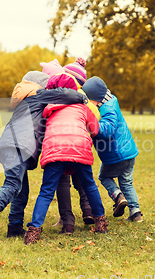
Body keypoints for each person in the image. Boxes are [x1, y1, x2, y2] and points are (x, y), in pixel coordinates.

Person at [0, 71, 88, 244]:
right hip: (20, 145)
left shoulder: (23, 100)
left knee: (21, 190)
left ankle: (15, 227)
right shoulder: (38, 94)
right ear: (39, 85)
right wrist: (81, 97)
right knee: (13, 184)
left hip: (8, 145)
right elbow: (64, 94)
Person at [24, 74, 108, 245]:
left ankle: (33, 231)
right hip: (79, 147)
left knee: (46, 191)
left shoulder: (48, 109)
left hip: (55, 149)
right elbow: (95, 129)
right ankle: (100, 223)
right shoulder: (82, 108)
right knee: (89, 185)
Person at [41, 58, 99, 234]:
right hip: (80, 143)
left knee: (62, 182)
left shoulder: (54, 99)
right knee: (85, 181)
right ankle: (89, 211)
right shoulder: (84, 99)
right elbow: (95, 124)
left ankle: (67, 220)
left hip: (58, 145)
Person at [81, 76, 142, 222]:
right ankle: (136, 213)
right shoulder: (111, 101)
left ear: (96, 98)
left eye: (90, 101)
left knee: (104, 177)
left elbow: (107, 130)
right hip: (129, 153)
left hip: (115, 155)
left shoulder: (106, 108)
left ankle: (118, 196)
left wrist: (91, 126)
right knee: (127, 182)